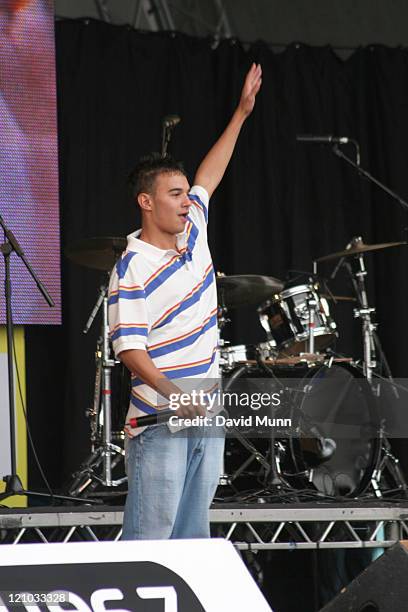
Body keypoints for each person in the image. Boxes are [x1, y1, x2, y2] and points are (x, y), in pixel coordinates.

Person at [108, 63, 262, 540]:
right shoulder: (131, 267)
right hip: (161, 422)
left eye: (184, 194)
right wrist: (178, 397)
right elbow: (130, 351)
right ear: (146, 203)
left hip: (206, 415)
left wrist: (240, 114)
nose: (184, 201)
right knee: (150, 544)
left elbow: (209, 175)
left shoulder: (194, 229)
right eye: (173, 194)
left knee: (193, 539)